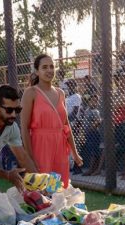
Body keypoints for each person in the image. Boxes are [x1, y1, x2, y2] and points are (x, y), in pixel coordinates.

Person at [21, 54, 83, 188]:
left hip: (60, 147)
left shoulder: (61, 93)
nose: (49, 70)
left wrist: (75, 153)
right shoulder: (30, 92)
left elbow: (66, 126)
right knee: (40, 189)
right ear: (37, 71)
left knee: (59, 188)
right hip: (40, 145)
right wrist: (30, 159)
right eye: (44, 67)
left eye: (52, 66)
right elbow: (24, 128)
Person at [79, 93, 102, 174]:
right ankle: (94, 169)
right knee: (92, 151)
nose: (93, 102)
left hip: (93, 133)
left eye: (96, 101)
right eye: (92, 100)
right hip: (87, 133)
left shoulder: (95, 111)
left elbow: (98, 121)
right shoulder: (87, 110)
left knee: (93, 151)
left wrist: (91, 128)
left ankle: (91, 169)